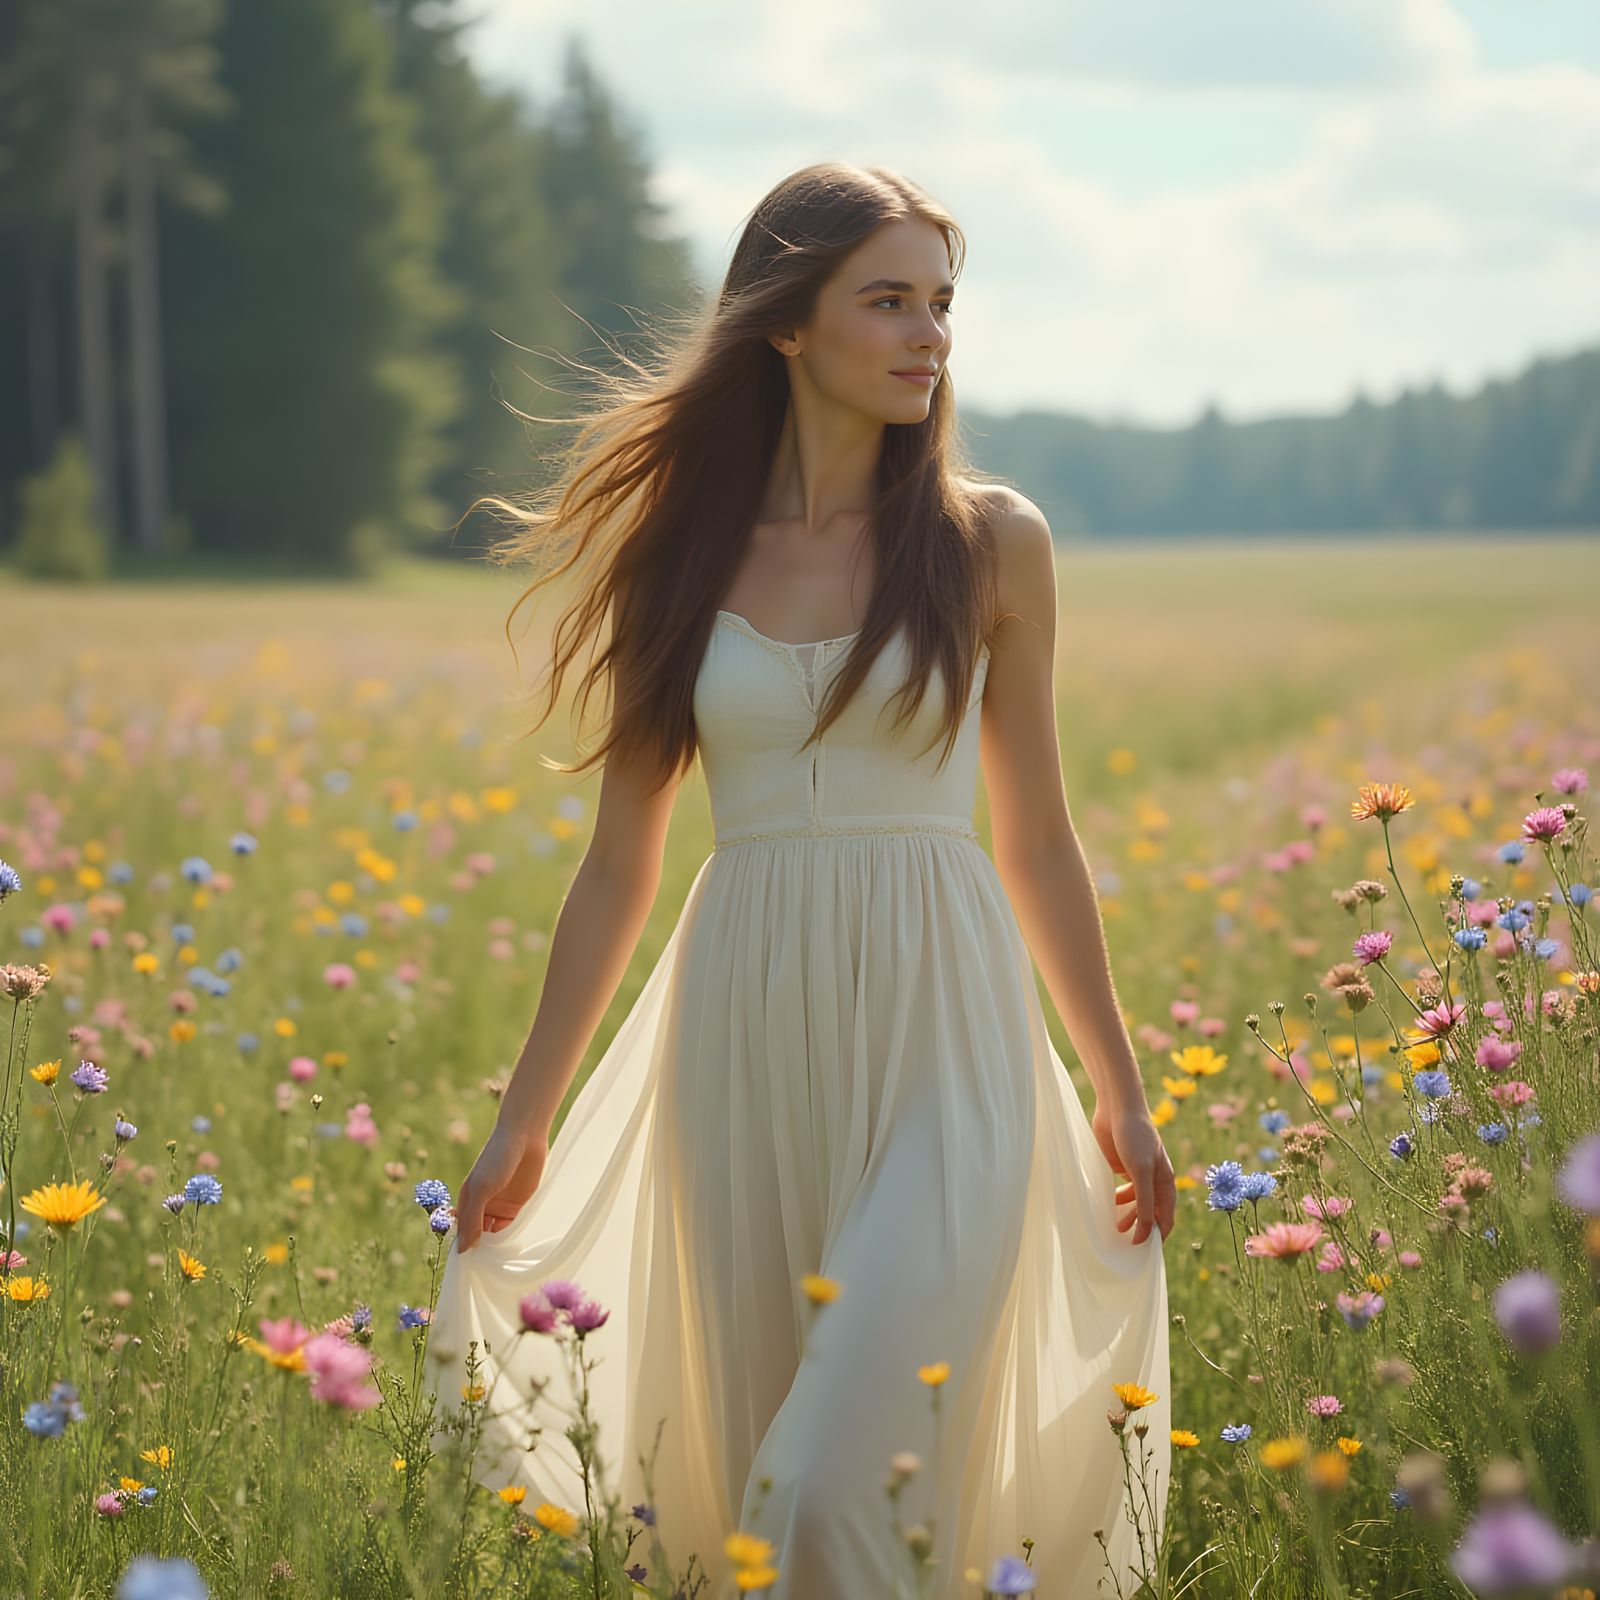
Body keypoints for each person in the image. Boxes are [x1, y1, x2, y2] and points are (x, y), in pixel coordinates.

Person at [427, 161, 1175, 1600]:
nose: (928, 334)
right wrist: (523, 1120)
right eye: (885, 300)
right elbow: (618, 865)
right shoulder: (682, 557)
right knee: (754, 1505)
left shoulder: (990, 541)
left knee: (828, 1482)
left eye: (941, 304)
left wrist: (1120, 1090)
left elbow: (1035, 837)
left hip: (945, 1029)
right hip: (743, 1027)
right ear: (786, 323)